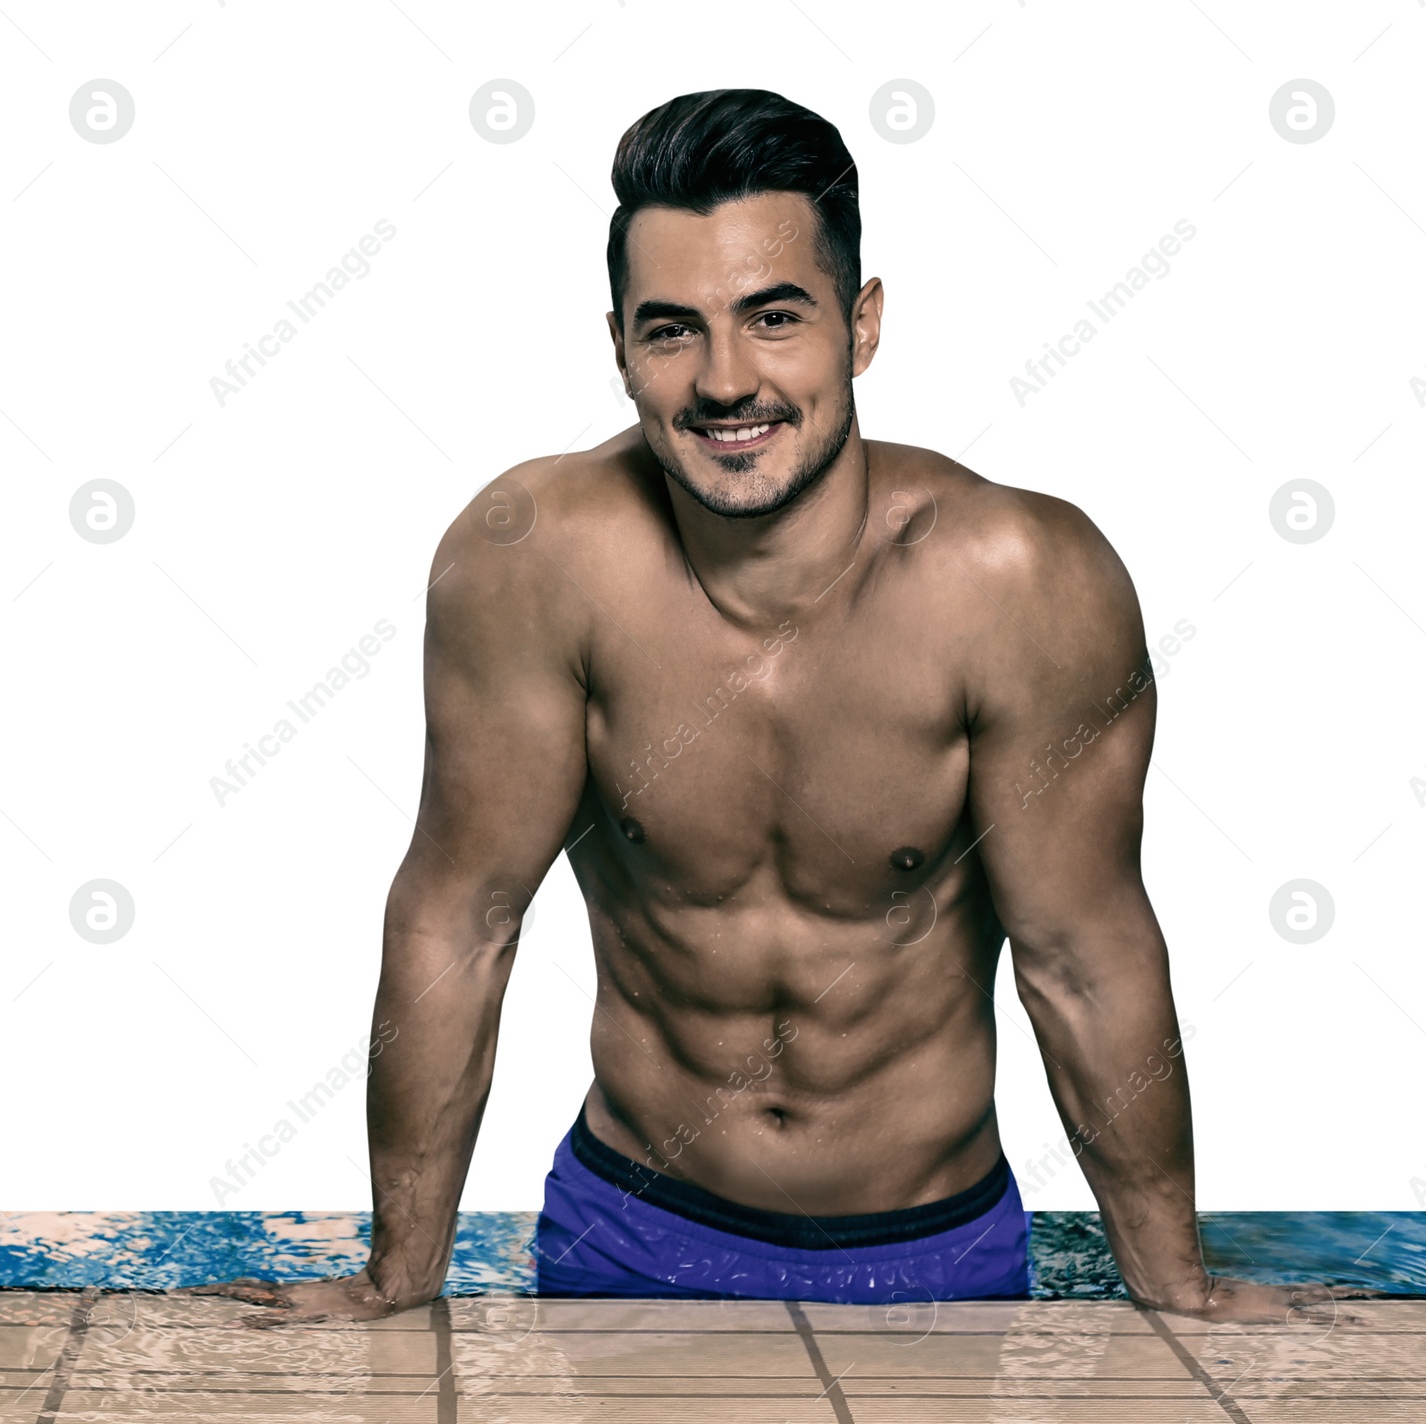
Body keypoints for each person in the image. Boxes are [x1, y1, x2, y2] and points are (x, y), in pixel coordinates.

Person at [195, 89, 1363, 1326]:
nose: (724, 379)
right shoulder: (535, 559)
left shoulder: (1020, 582)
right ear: (618, 345)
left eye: (774, 317)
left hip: (934, 1254)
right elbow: (458, 916)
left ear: (861, 325)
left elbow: (1082, 957)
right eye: (671, 331)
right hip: (625, 1236)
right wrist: (398, 1277)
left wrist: (1175, 1286)